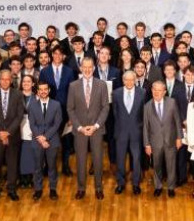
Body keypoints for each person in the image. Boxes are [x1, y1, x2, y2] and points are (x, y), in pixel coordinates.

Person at [67, 57, 110, 200]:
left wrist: (96, 125)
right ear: (80, 68)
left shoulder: (102, 85)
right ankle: (81, 188)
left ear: (94, 68)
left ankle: (98, 188)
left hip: (96, 129)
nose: (87, 69)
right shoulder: (73, 86)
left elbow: (105, 107)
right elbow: (70, 109)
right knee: (80, 160)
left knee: (98, 160)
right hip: (80, 130)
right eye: (84, 67)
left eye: (89, 67)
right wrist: (79, 127)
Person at [0, 70, 25, 202]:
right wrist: (0, 133)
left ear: (11, 80)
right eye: (2, 79)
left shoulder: (18, 95)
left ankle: (12, 190)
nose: (5, 81)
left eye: (7, 79)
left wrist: (8, 132)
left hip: (12, 136)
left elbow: (20, 116)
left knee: (12, 164)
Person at [143, 81, 183, 198]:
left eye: (159, 90)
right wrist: (147, 144)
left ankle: (171, 187)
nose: (156, 92)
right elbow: (145, 126)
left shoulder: (172, 103)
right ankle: (158, 186)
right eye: (154, 89)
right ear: (152, 90)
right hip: (155, 142)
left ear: (164, 92)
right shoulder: (147, 106)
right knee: (157, 166)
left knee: (171, 166)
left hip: (170, 140)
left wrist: (179, 137)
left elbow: (177, 121)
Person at [40, 46, 75, 176]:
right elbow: (41, 92)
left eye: (60, 54)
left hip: (66, 111)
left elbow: (73, 93)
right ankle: (48, 166)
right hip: (49, 112)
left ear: (63, 56)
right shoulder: (45, 71)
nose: (57, 56)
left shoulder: (70, 71)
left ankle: (65, 165)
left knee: (66, 140)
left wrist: (72, 114)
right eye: (55, 53)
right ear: (52, 55)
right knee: (48, 138)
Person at [113, 71, 146, 195]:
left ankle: (136, 184)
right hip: (121, 131)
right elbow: (115, 113)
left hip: (136, 132)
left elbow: (143, 113)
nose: (129, 82)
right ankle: (120, 183)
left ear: (136, 80)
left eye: (132, 79)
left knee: (136, 159)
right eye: (126, 79)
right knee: (120, 159)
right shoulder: (116, 93)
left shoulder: (142, 93)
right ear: (123, 80)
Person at [29, 81, 62, 201]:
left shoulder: (56, 105)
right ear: (37, 91)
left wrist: (46, 137)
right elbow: (32, 124)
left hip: (52, 140)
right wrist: (41, 138)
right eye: (40, 89)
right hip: (37, 140)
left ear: (49, 90)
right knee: (37, 167)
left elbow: (57, 124)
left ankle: (53, 189)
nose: (43, 91)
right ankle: (38, 190)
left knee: (52, 166)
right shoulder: (32, 105)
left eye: (45, 89)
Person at [17, 75, 37, 189]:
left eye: (29, 81)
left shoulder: (37, 97)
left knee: (30, 153)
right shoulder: (16, 96)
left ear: (33, 84)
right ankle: (21, 178)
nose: (26, 83)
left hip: (32, 128)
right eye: (24, 81)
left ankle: (30, 178)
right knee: (20, 154)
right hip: (19, 127)